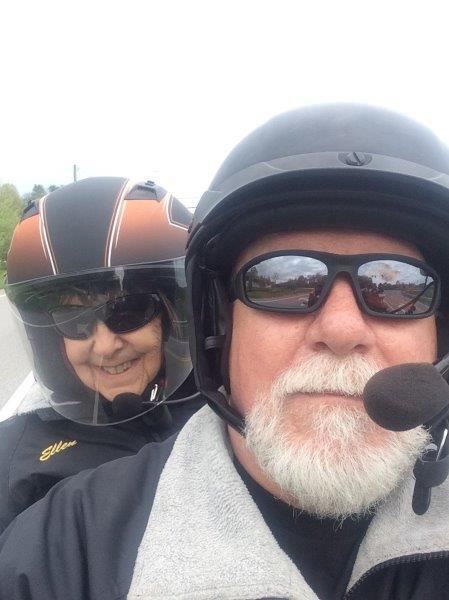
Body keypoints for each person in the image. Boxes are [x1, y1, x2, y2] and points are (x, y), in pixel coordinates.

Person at [2, 105, 449, 600]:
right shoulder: (66, 553)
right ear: (219, 324)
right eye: (283, 281)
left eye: (400, 286)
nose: (342, 329)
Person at [0, 176, 203, 533]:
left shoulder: (224, 412)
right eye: (73, 320)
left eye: (128, 311)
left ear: (172, 316)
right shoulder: (16, 454)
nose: (106, 345)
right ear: (49, 342)